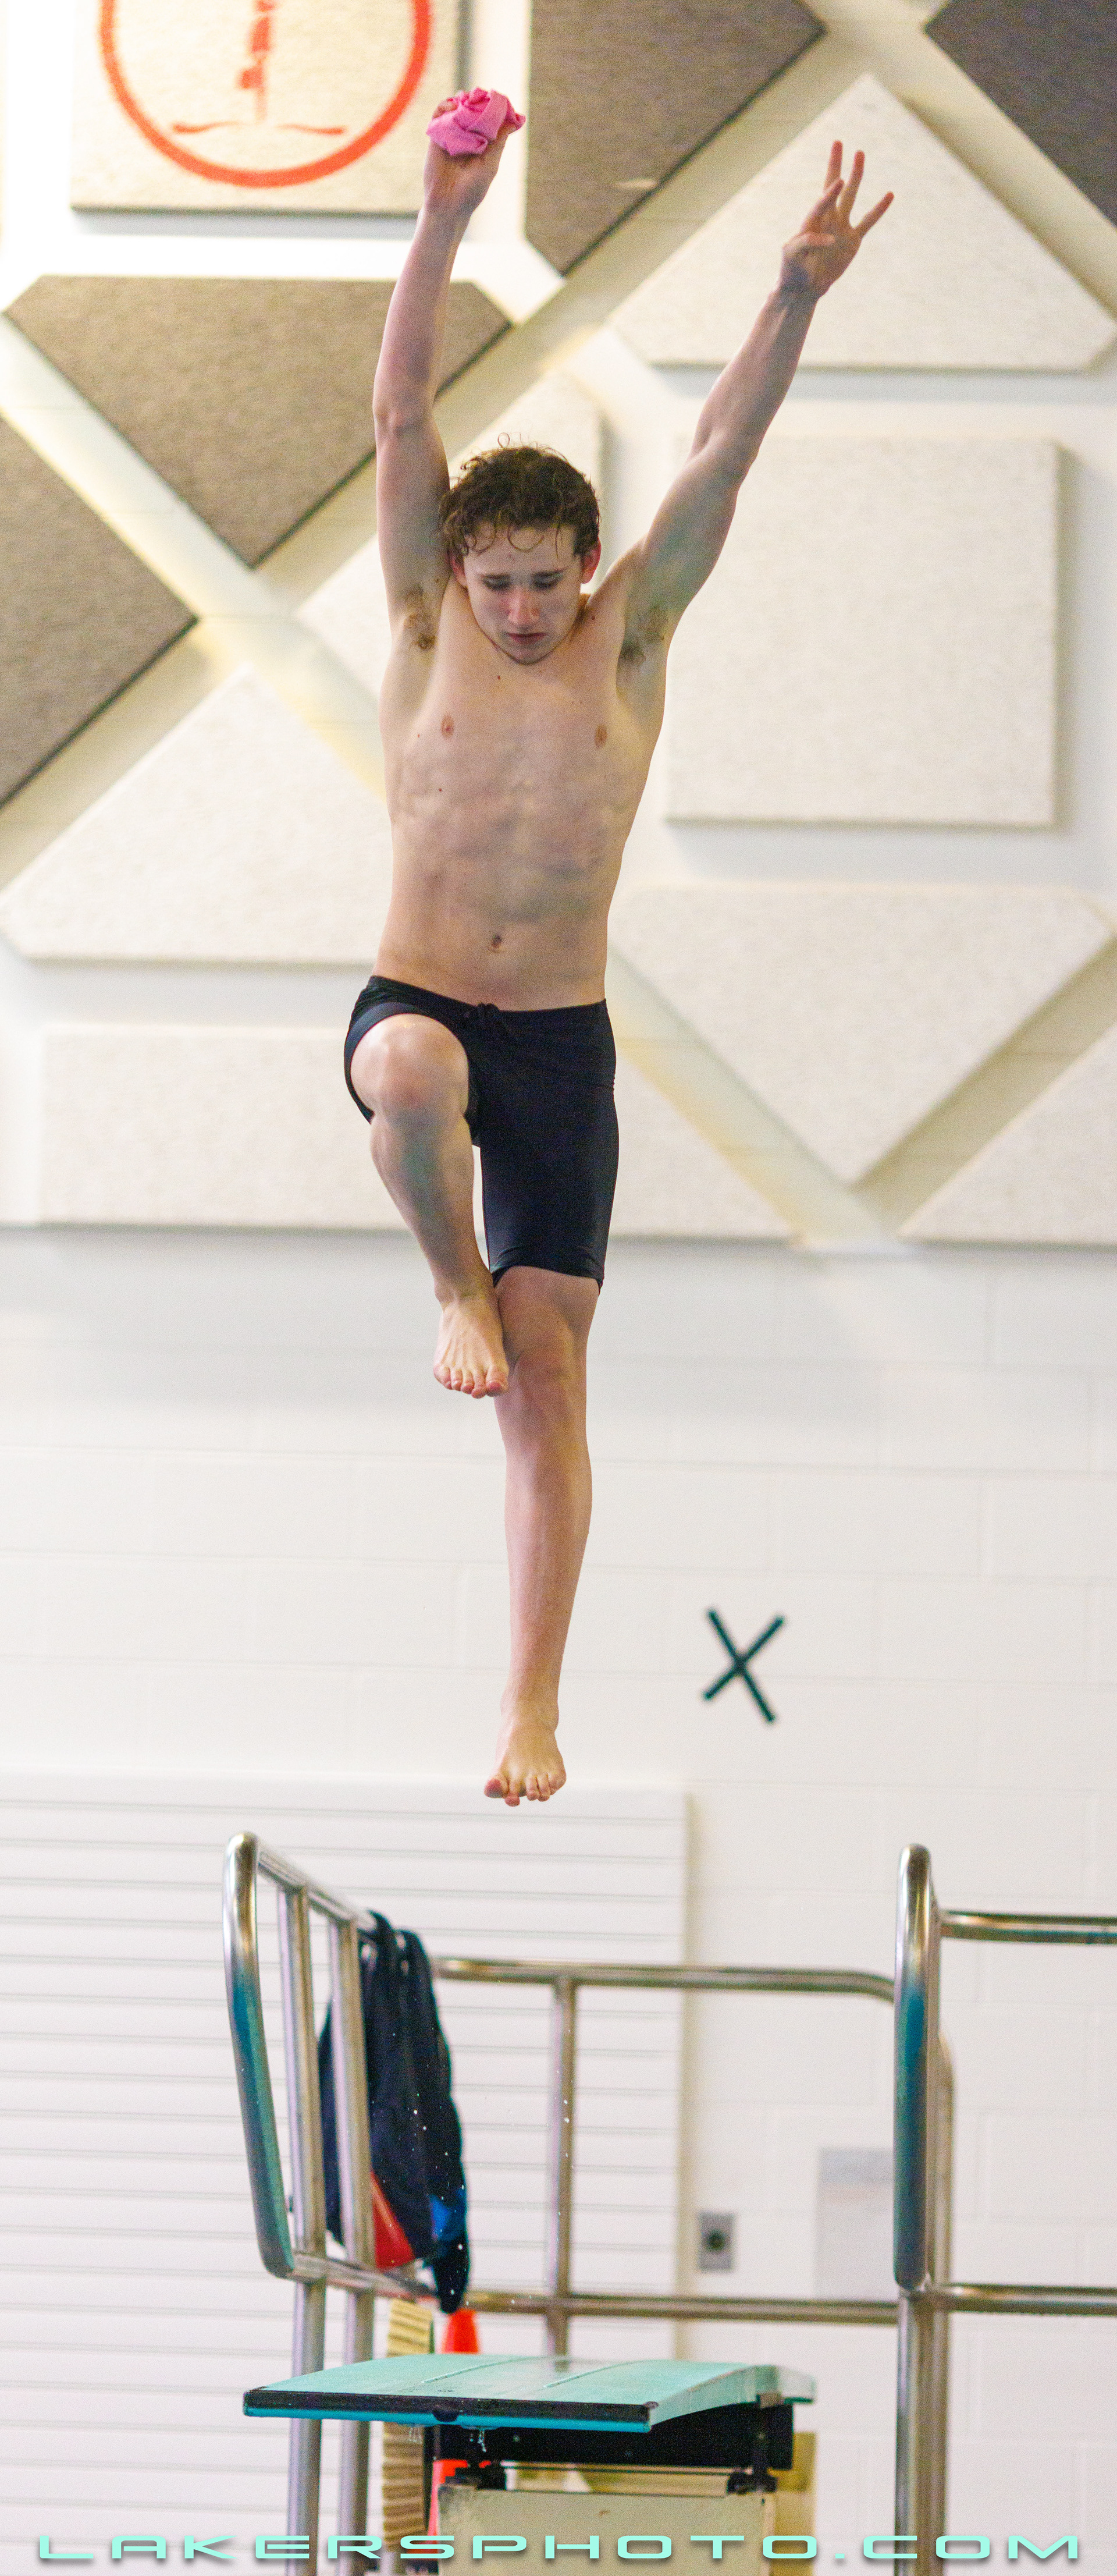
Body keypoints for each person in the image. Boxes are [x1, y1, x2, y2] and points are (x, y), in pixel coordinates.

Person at [344, 100, 892, 1808]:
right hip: (426, 1001)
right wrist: (443, 221)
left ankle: (532, 1703)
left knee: (556, 1387)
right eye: (494, 583)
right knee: (409, 1071)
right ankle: (451, 1280)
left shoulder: (631, 638)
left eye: (542, 583)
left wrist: (790, 297)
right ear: (454, 574)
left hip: (559, 1044)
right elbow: (399, 412)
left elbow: (723, 455)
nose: (518, 612)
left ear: (590, 568)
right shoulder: (423, 621)